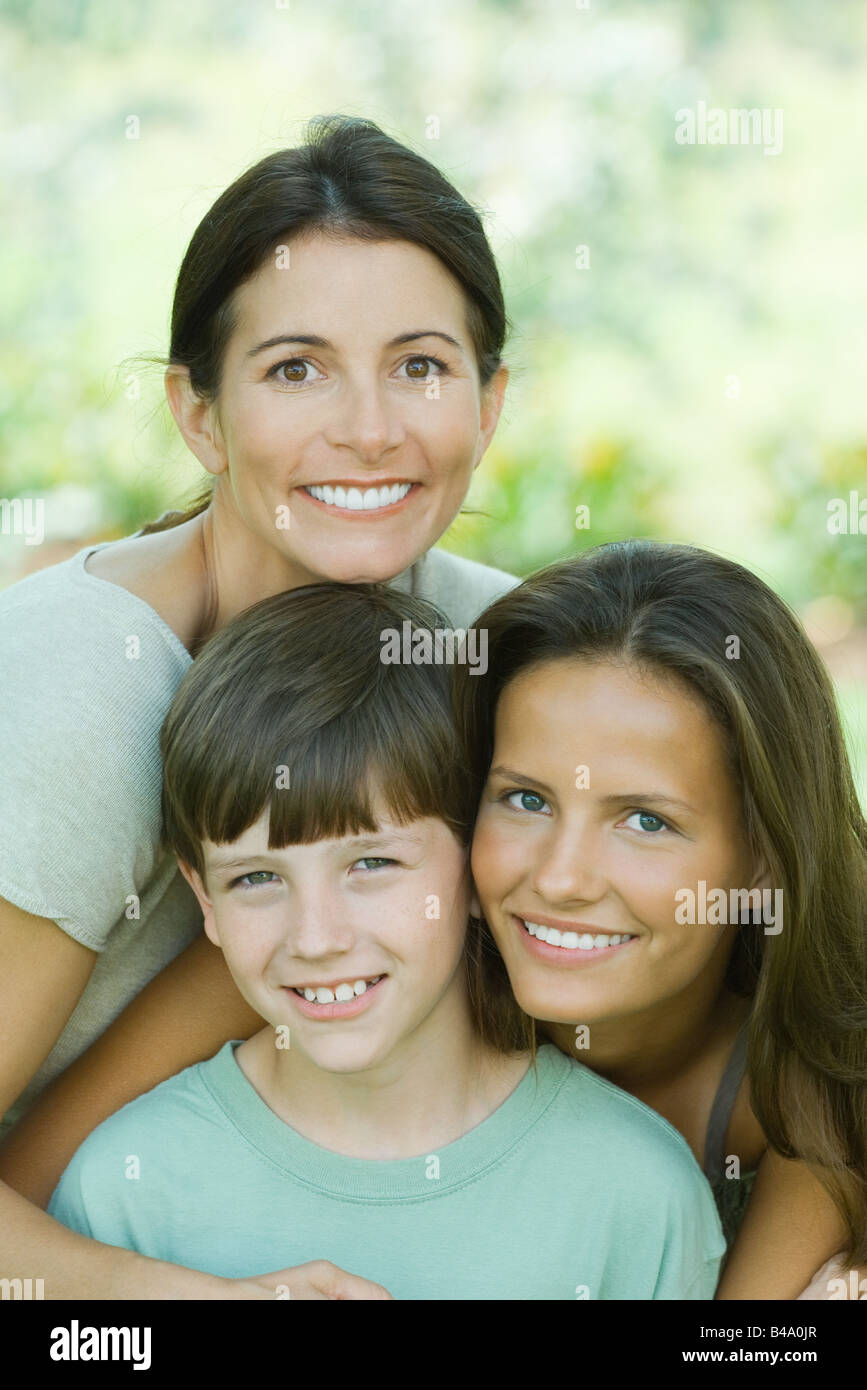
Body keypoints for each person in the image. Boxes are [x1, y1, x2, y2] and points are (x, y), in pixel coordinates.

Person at [0, 114, 517, 1298]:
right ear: (197, 413)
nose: (371, 428)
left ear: (489, 403)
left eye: (421, 365)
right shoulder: (79, 692)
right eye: (296, 368)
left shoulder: (490, 644)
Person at [47, 583, 726, 1299]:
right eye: (255, 879)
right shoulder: (125, 1186)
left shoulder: (637, 1194)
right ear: (203, 899)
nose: (315, 938)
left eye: (371, 864)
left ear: (473, 864)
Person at [455, 539, 867, 1301]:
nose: (560, 878)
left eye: (644, 821)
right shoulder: (353, 945)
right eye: (525, 799)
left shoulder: (814, 1086)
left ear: (764, 857)